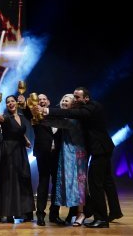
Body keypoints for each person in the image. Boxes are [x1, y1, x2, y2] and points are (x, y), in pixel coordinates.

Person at [40, 87, 123, 228]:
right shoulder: (83, 109)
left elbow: (67, 117)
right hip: (100, 148)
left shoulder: (89, 108)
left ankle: (100, 218)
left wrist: (46, 112)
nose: (75, 100)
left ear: (86, 98)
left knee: (94, 183)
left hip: (98, 149)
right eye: (74, 97)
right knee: (107, 181)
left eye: (77, 97)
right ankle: (114, 211)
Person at [40, 94, 88, 227]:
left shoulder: (74, 118)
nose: (64, 102)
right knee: (69, 184)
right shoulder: (66, 116)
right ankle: (74, 213)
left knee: (79, 183)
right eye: (63, 100)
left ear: (73, 104)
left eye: (67, 101)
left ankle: (81, 213)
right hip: (67, 153)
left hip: (77, 153)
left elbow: (57, 123)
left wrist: (39, 117)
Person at [19, 93, 66, 226]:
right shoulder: (35, 116)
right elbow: (27, 112)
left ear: (49, 102)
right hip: (43, 154)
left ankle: (54, 215)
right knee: (43, 183)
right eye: (39, 100)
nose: (42, 101)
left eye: (44, 99)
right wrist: (23, 104)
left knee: (57, 184)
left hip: (58, 155)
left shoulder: (57, 115)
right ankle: (40, 214)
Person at [0, 95, 35, 223]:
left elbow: (20, 131)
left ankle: (23, 212)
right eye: (8, 102)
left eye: (12, 101)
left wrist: (25, 140)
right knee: (9, 181)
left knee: (22, 179)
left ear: (16, 102)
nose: (10, 103)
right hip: (8, 151)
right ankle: (8, 213)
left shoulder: (21, 116)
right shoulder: (5, 117)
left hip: (20, 151)